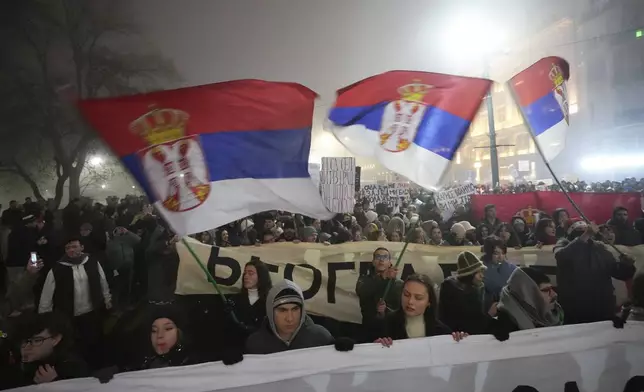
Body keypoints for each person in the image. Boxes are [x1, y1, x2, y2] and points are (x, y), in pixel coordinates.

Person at [38, 237, 112, 368]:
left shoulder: (92, 262)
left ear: (81, 247)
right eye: (68, 248)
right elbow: (47, 294)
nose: (71, 250)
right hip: (68, 314)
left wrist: (107, 299)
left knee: (93, 342)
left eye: (74, 246)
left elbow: (102, 281)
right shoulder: (57, 269)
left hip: (91, 312)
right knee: (72, 345)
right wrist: (45, 315)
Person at [554, 221, 636, 324]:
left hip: (602, 306)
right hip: (576, 307)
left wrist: (627, 265)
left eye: (585, 231)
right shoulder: (563, 243)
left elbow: (618, 272)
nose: (584, 234)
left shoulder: (599, 248)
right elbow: (562, 256)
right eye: (580, 232)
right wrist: (585, 236)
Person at [0, 312, 88, 389]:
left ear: (55, 339)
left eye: (37, 340)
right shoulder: (16, 364)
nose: (27, 347)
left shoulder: (73, 367)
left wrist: (56, 383)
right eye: (25, 341)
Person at [373, 274, 467, 346]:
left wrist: (460, 341)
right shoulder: (385, 324)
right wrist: (376, 346)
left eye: (418, 297)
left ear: (429, 302)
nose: (410, 301)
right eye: (406, 294)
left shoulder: (442, 331)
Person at [245, 280, 333, 354]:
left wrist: (344, 354)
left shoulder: (321, 338)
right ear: (270, 311)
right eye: (282, 310)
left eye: (295, 309)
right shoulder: (255, 344)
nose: (290, 318)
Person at [439, 251, 495, 335]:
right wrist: (490, 314)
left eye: (482, 272)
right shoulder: (461, 294)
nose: (482, 276)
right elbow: (475, 327)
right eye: (478, 272)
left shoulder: (476, 288)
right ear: (469, 275)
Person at [495, 267, 563, 334]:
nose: (554, 294)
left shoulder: (552, 314)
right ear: (527, 295)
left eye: (552, 289)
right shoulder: (508, 326)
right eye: (546, 290)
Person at [355, 247, 403, 336]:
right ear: (373, 262)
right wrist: (385, 280)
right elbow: (363, 293)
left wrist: (386, 311)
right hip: (369, 330)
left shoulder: (399, 284)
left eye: (385, 257)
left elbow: (401, 309)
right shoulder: (364, 280)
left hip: (393, 330)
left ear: (390, 263)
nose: (381, 260)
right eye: (378, 257)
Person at [227, 258, 273, 346]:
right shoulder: (234, 300)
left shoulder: (270, 301)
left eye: (250, 273)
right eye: (245, 273)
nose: (246, 276)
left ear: (261, 276)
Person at [481, 236, 516, 311]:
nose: (501, 257)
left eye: (503, 253)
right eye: (496, 253)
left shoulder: (511, 267)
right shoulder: (480, 270)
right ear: (488, 253)